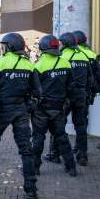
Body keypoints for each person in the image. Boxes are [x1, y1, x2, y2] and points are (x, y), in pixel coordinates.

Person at [0, 33, 38, 199]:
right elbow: (37, 91)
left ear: (10, 46)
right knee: (26, 150)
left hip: (0, 111)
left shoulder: (0, 63)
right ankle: (31, 189)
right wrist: (27, 106)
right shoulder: (30, 65)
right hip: (21, 111)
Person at [30, 35, 77, 177]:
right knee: (62, 137)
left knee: (38, 138)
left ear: (42, 48)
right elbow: (72, 87)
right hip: (59, 108)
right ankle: (71, 167)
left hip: (42, 109)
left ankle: (35, 168)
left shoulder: (37, 65)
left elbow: (33, 89)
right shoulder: (66, 64)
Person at [45, 32, 93, 166]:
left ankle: (55, 154)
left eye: (60, 42)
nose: (59, 45)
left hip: (66, 97)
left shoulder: (62, 57)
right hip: (81, 95)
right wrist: (87, 93)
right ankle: (82, 155)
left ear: (64, 43)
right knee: (81, 125)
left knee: (58, 125)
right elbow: (90, 78)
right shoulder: (83, 56)